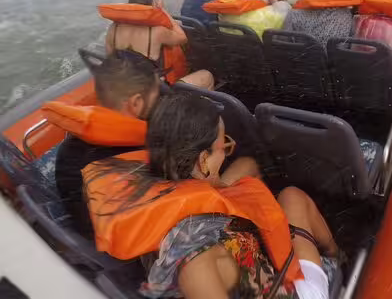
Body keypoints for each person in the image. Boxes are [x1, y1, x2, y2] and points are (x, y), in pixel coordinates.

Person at [86, 93, 336, 299]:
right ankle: (339, 263)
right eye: (224, 145)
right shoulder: (194, 259)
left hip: (251, 270)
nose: (227, 152)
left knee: (282, 191)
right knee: (295, 197)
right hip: (287, 291)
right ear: (204, 160)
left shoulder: (148, 184)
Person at [54, 50, 161, 236]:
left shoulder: (68, 147)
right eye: (156, 94)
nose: (159, 99)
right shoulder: (143, 155)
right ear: (136, 103)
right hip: (120, 242)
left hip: (85, 229)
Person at [106, 0, 214, 89]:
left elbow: (111, 59)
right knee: (206, 75)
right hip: (153, 91)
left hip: (126, 85)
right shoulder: (157, 32)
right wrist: (162, 11)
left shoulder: (113, 29)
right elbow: (183, 38)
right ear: (151, 1)